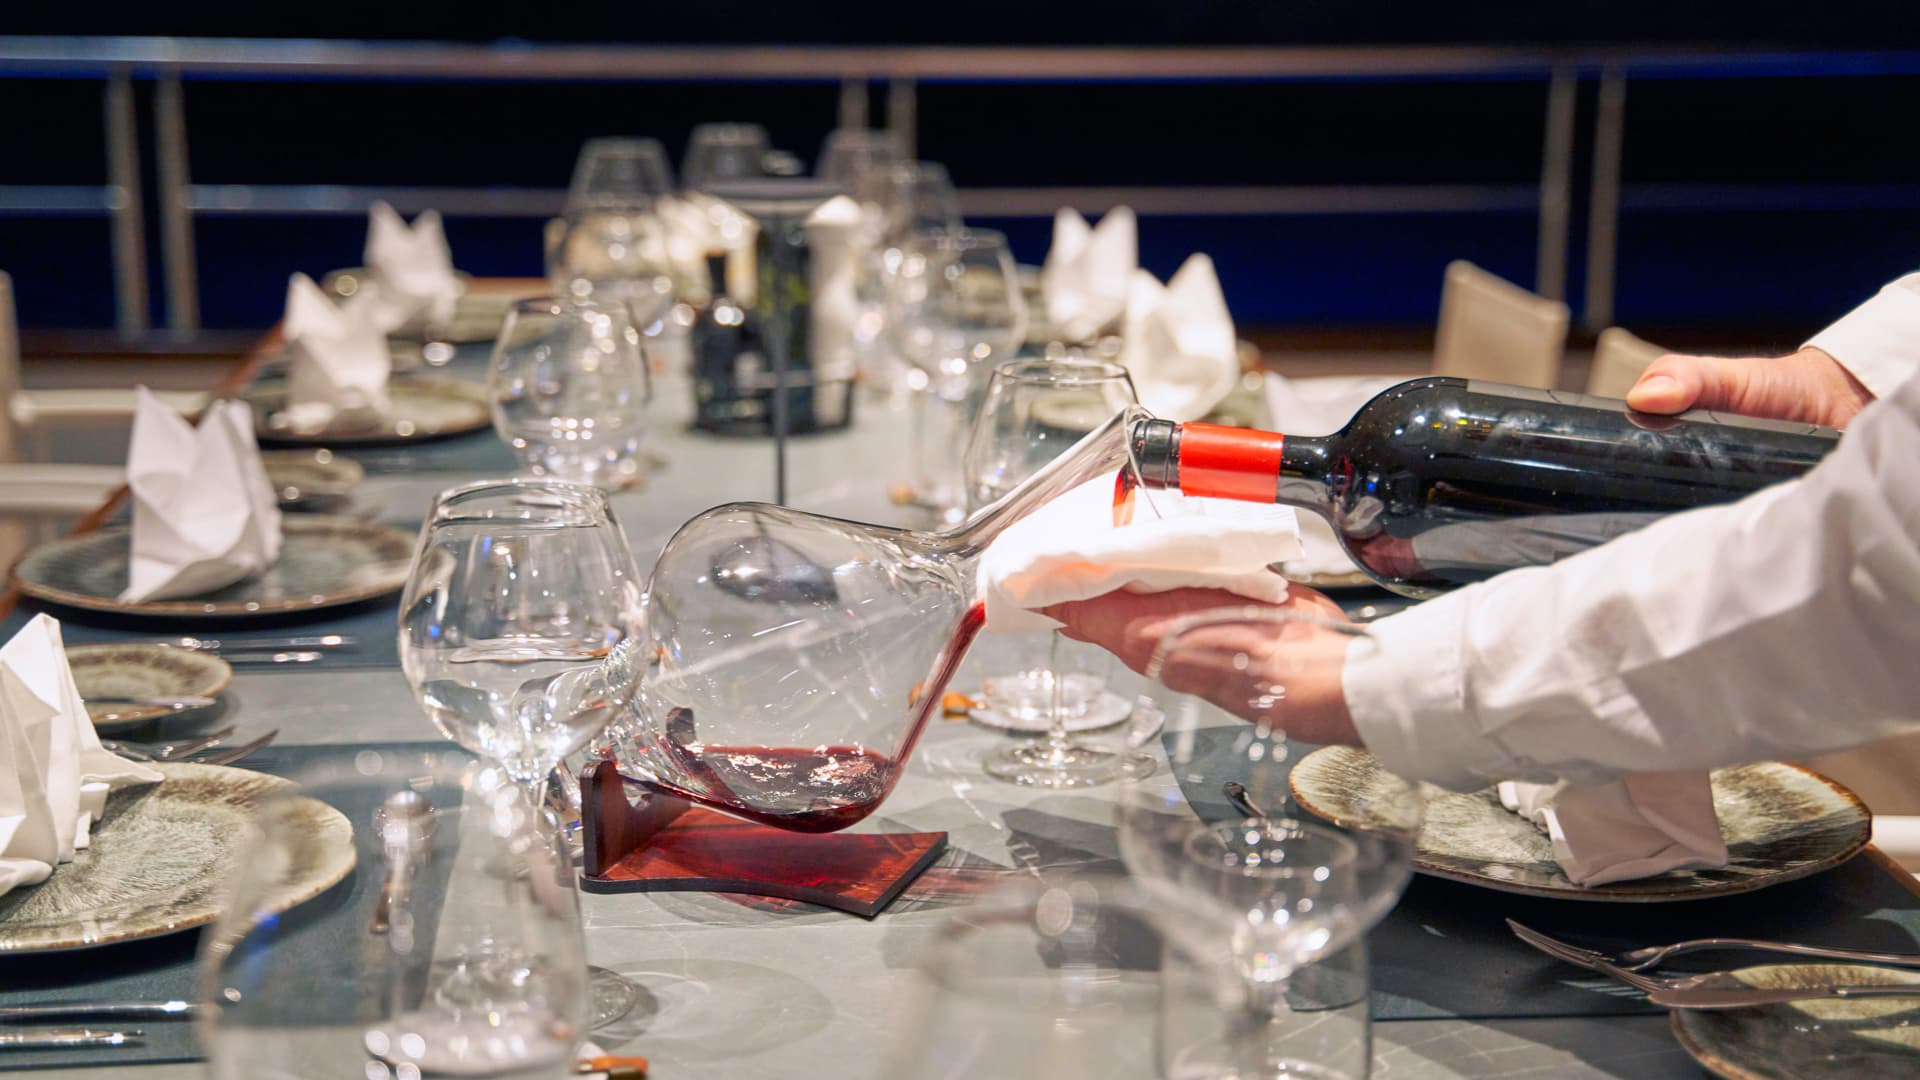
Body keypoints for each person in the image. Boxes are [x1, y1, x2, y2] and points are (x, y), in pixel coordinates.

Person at [1046, 273, 1920, 791]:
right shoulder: (1370, 473)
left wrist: (1385, 682)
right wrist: (1862, 376)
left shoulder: (1377, 469)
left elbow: (1854, 569)